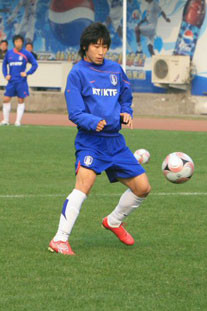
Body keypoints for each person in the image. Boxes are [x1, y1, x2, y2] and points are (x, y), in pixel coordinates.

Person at [48, 22, 151, 256]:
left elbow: (126, 95)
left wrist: (127, 112)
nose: (101, 51)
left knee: (143, 188)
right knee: (84, 186)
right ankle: (60, 239)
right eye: (96, 46)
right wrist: (92, 121)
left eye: (104, 46)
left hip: (115, 142)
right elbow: (74, 112)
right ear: (85, 47)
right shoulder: (77, 73)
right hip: (90, 142)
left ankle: (113, 221)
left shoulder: (115, 70)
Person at [1, 34, 38, 126]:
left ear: (22, 43)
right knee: (6, 99)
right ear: (14, 43)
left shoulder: (26, 53)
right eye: (16, 41)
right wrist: (6, 75)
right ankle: (5, 120)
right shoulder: (9, 53)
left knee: (21, 100)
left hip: (21, 81)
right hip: (11, 81)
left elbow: (35, 64)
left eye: (20, 41)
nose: (18, 43)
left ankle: (18, 121)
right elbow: (4, 64)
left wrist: (27, 73)